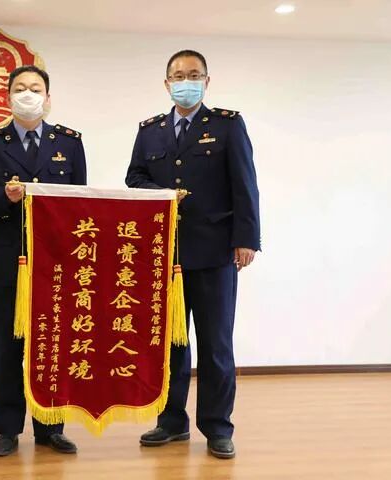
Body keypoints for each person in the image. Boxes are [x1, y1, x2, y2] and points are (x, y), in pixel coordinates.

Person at [125, 49, 261, 459]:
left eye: (194, 74)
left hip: (215, 252)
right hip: (164, 255)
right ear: (167, 83)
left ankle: (218, 427)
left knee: (216, 345)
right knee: (169, 344)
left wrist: (246, 239)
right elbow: (134, 178)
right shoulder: (150, 131)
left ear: (207, 80)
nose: (187, 81)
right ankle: (171, 422)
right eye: (179, 75)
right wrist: (164, 194)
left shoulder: (227, 125)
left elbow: (245, 183)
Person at [0, 65, 86, 456]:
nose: (27, 94)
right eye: (20, 88)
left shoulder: (69, 142)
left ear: (48, 98)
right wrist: (4, 196)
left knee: (51, 343)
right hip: (9, 259)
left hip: (57, 261)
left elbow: (79, 203)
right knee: (8, 345)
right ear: (8, 98)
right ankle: (7, 429)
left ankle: (51, 427)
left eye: (35, 88)